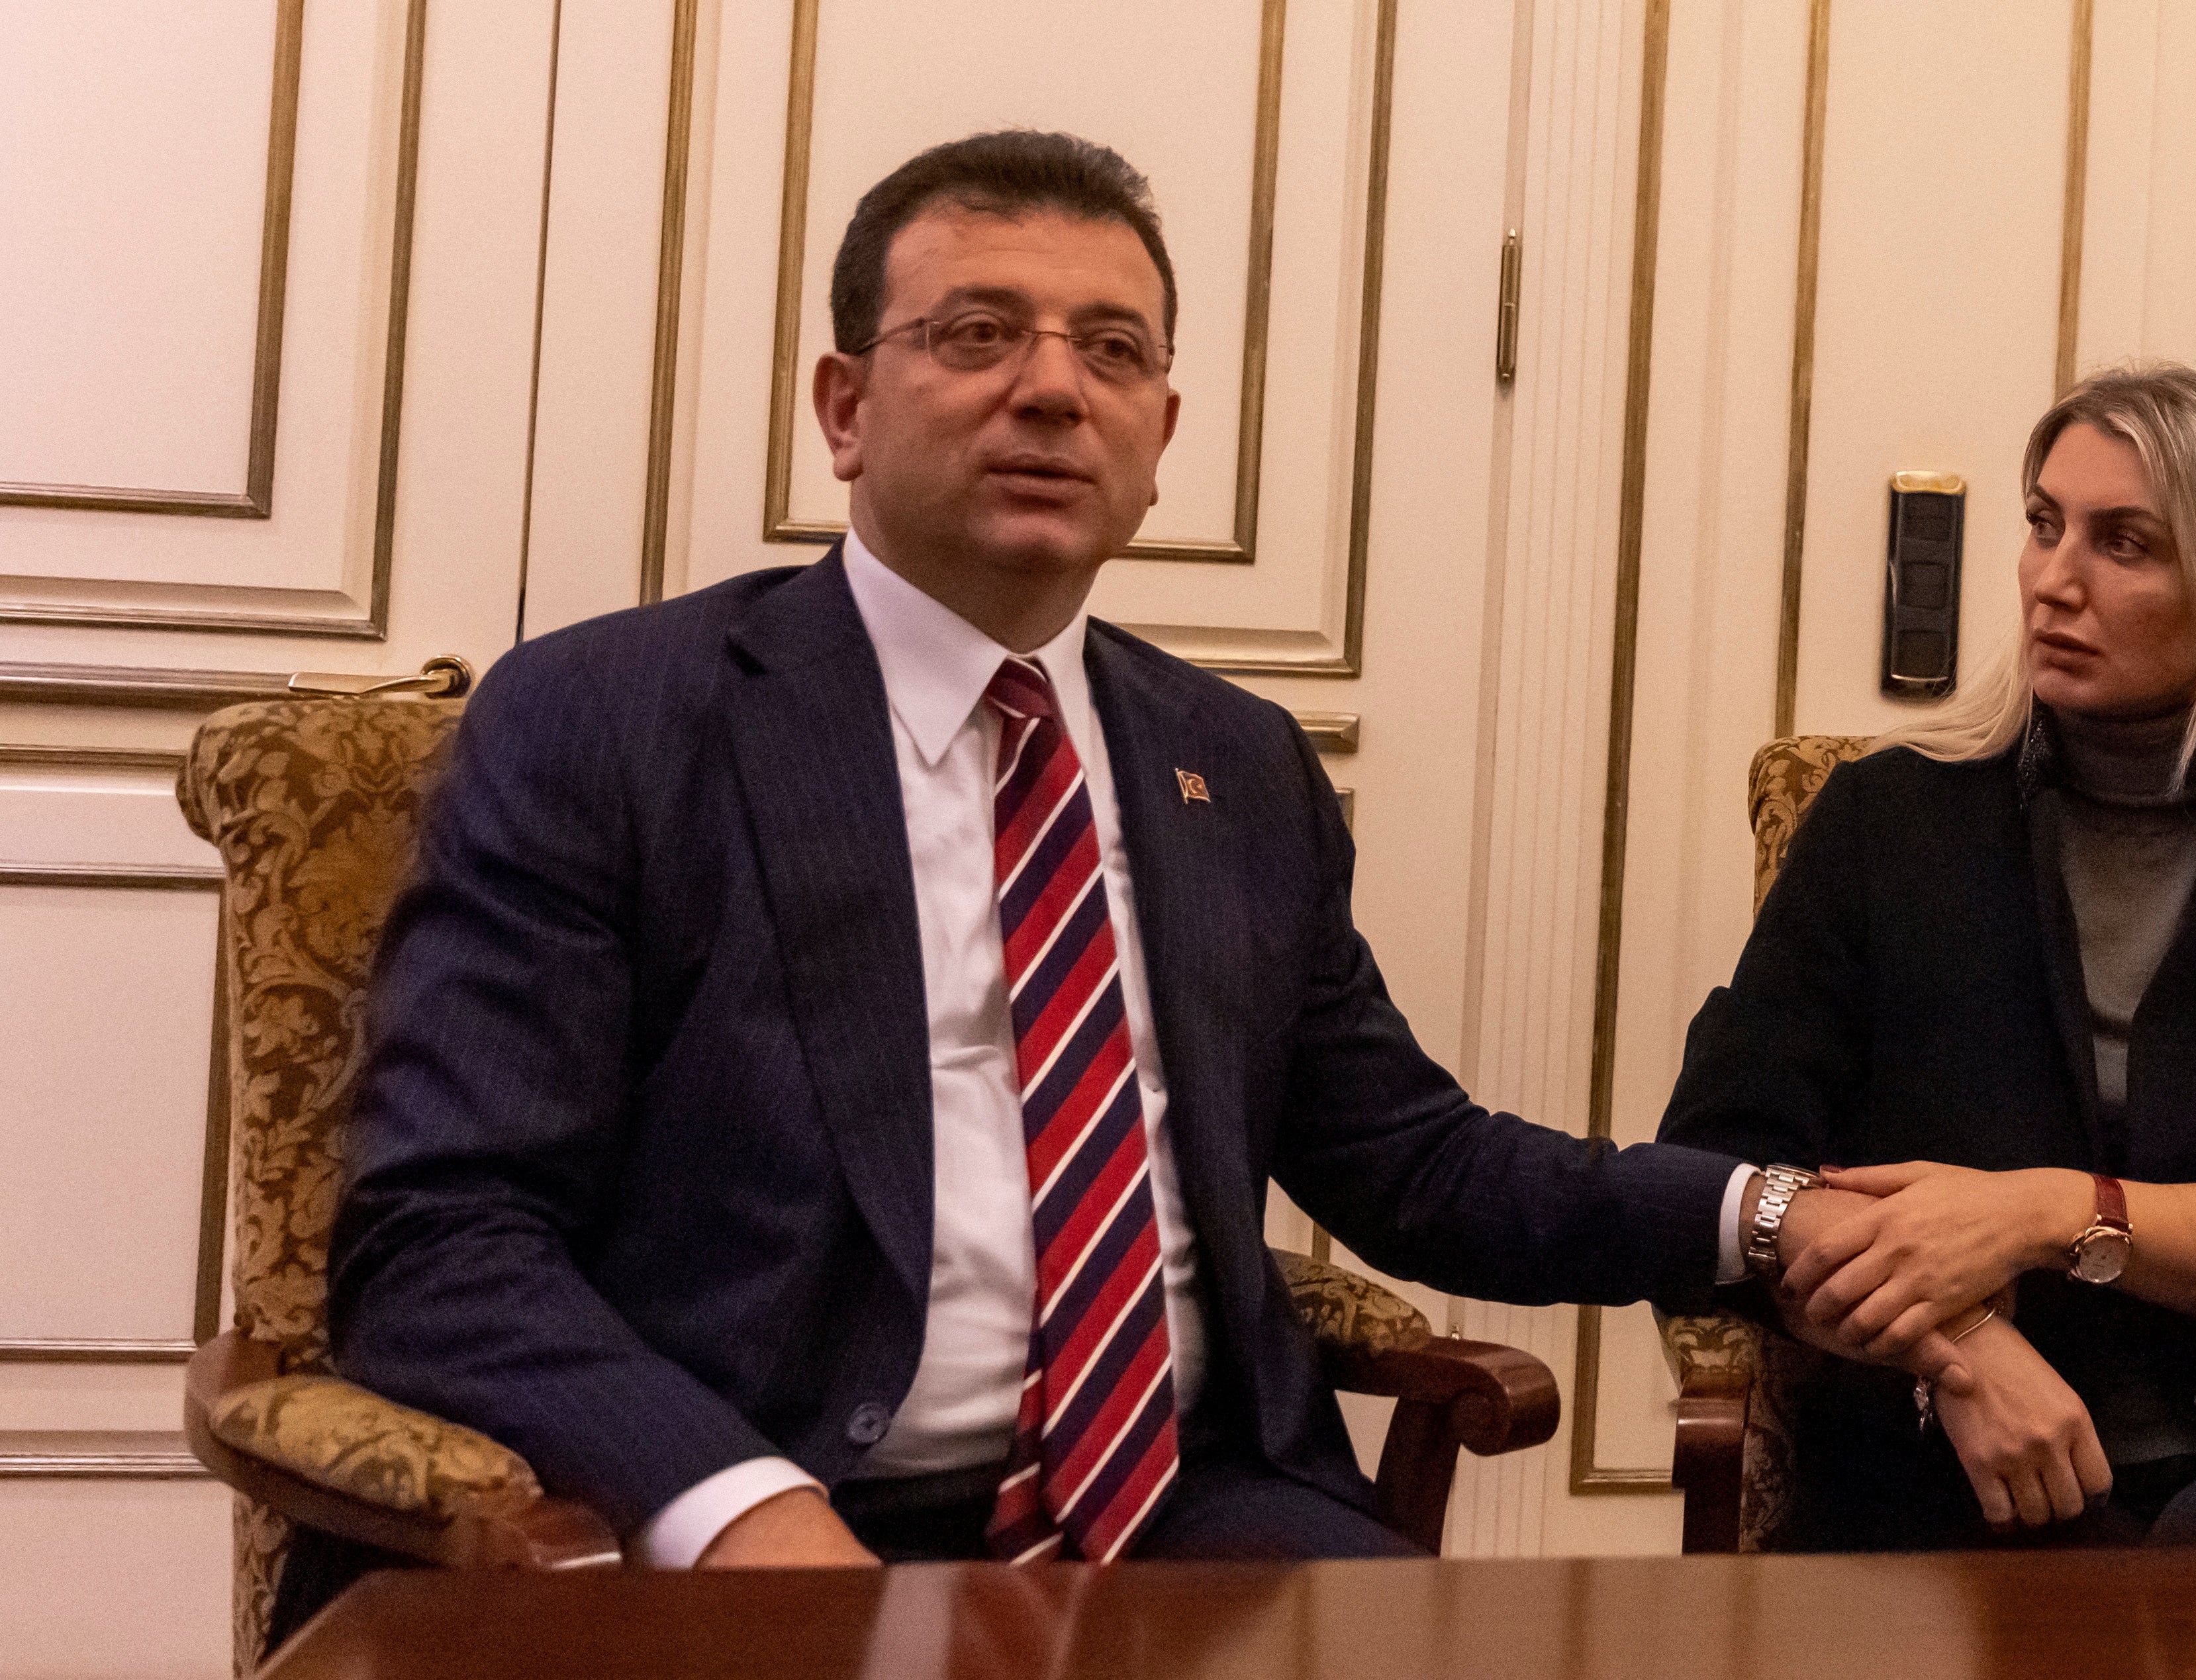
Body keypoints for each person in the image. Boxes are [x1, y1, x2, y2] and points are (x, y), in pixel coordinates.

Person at [318, 130, 1972, 1603]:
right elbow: (443, 1241)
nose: (1051, 388)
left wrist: (1768, 1212)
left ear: (1160, 431)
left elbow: (1415, 1164)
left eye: (1110, 352)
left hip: (1189, 1509)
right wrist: (731, 1505)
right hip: (786, 1511)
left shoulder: (1230, 764)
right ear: (843, 406)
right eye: (976, 335)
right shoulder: (612, 721)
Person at [1658, 362, 2196, 1550]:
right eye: (2044, 525)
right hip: (1946, 1447)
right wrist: (1961, 1352)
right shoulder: (1887, 823)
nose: (2052, 580)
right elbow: (1724, 1169)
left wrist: (2048, 1214)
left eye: (2122, 543)